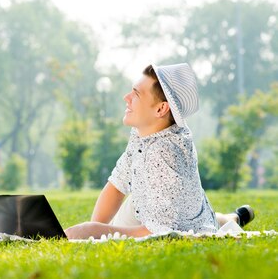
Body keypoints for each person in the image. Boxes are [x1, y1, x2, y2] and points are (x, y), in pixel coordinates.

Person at [64, 63, 254, 239]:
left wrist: (93, 231)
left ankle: (226, 220)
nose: (126, 98)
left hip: (178, 221)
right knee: (102, 226)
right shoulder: (145, 133)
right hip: (148, 205)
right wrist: (91, 228)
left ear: (161, 108)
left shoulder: (164, 154)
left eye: (136, 94)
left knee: (202, 224)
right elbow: (117, 184)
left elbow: (161, 232)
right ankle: (225, 218)